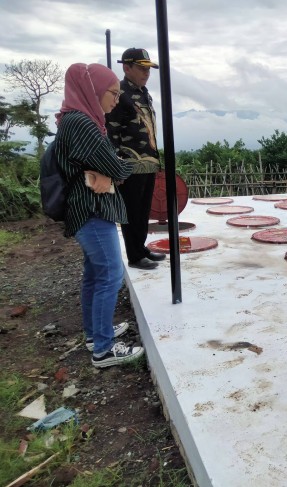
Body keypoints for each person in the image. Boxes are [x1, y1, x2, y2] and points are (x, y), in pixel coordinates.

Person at [55, 63, 144, 368]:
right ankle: (103, 350)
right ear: (92, 91)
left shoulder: (78, 119)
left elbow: (108, 165)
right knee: (110, 275)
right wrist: (125, 168)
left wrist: (111, 168)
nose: (116, 99)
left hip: (86, 209)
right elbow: (117, 167)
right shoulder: (81, 123)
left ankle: (96, 334)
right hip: (92, 210)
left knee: (94, 275)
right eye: (113, 92)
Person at [106, 48, 165, 270]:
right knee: (131, 212)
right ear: (126, 67)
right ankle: (134, 255)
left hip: (147, 162)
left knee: (143, 211)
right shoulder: (119, 94)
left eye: (148, 68)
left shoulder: (143, 92)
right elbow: (111, 133)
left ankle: (141, 248)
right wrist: (116, 166)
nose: (146, 72)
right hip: (129, 164)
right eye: (141, 68)